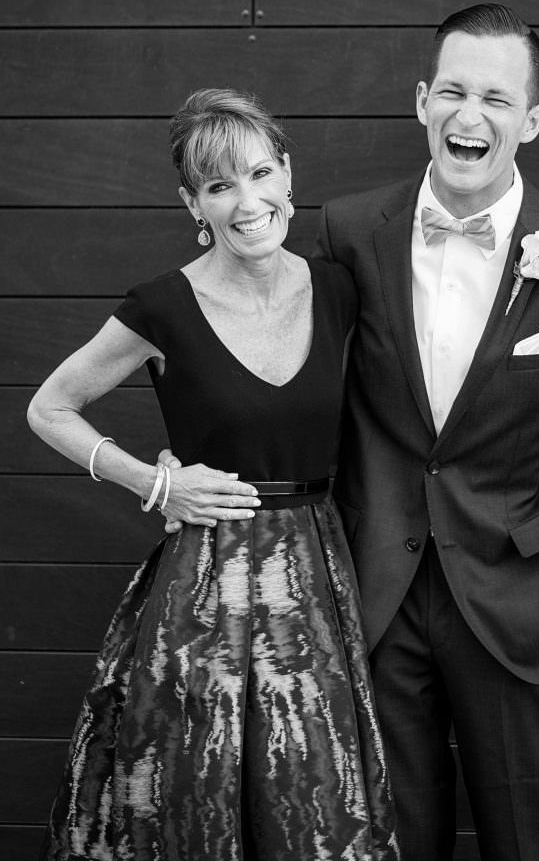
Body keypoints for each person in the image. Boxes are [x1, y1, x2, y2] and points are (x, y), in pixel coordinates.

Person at [310, 3, 539, 860]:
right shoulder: (346, 234)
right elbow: (306, 398)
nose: (469, 116)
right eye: (452, 91)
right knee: (391, 841)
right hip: (377, 601)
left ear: (530, 121)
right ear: (420, 100)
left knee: (523, 842)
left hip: (515, 603)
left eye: (496, 99)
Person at [27, 88, 399, 861]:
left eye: (259, 173)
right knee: (195, 801)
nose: (246, 201)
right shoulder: (161, 306)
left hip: (315, 583)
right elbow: (50, 408)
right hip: (203, 592)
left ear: (287, 176)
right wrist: (155, 483)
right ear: (192, 202)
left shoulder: (339, 289)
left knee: (316, 810)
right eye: (219, 185)